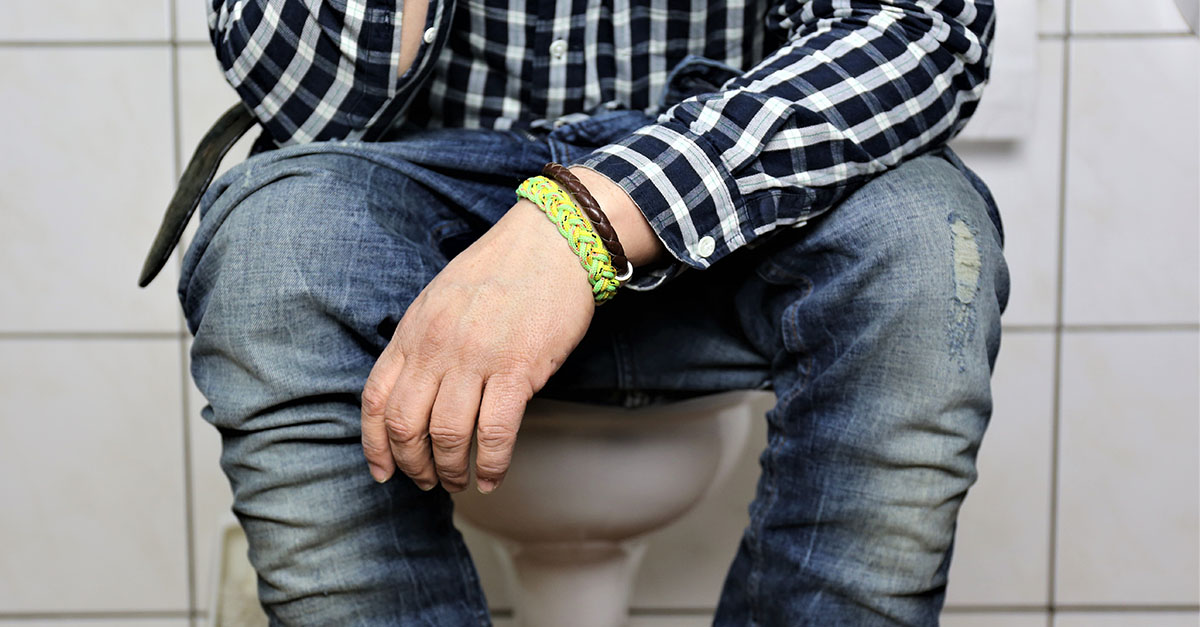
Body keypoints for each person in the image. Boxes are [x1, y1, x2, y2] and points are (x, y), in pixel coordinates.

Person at [147, 0, 1008, 623]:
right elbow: (307, 104)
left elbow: (916, 31)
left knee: (924, 240)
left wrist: (584, 223)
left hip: (723, 174)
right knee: (273, 250)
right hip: (430, 184)